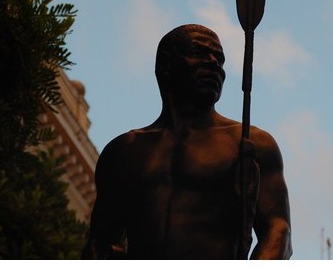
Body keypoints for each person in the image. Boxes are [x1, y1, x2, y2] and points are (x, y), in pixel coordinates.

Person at [81, 24, 292, 259]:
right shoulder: (123, 152)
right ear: (165, 64)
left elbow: (278, 231)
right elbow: (101, 242)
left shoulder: (251, 144)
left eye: (219, 60)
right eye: (200, 53)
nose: (214, 63)